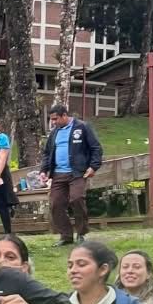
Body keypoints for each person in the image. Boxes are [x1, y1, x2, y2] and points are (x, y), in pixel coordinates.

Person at [38, 103, 102, 246]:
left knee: (77, 199)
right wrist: (43, 170)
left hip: (77, 172)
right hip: (58, 174)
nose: (53, 122)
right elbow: (47, 153)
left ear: (64, 115)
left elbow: (96, 148)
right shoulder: (54, 132)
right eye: (51, 119)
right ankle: (66, 236)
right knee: (55, 204)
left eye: (55, 119)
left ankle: (81, 233)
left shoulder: (82, 127)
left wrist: (93, 167)